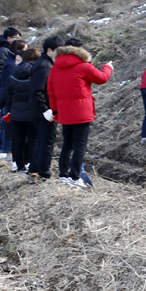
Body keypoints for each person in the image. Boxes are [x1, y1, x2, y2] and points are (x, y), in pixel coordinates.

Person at [46, 37, 113, 188]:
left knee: (67, 144)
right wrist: (108, 67)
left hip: (64, 113)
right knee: (80, 146)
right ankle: (75, 177)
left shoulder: (55, 67)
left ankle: (63, 175)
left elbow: (51, 92)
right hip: (81, 112)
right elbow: (102, 78)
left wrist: (56, 111)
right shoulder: (83, 66)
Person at [0, 47, 38, 175]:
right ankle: (31, 164)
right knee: (32, 140)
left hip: (15, 113)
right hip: (31, 113)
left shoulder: (13, 73)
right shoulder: (36, 72)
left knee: (18, 140)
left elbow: (6, 92)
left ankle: (18, 165)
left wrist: (0, 106)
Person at [28, 36, 63, 182]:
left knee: (43, 139)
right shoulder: (44, 66)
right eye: (58, 51)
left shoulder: (46, 64)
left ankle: (34, 170)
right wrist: (45, 109)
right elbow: (37, 90)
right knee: (47, 140)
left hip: (43, 109)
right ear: (49, 50)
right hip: (43, 110)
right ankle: (44, 172)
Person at [0, 27, 21, 161]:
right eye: (15, 38)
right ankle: (2, 150)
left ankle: (6, 150)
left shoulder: (8, 51)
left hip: (6, 90)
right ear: (8, 38)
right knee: (3, 120)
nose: (17, 40)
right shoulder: (3, 51)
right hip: (3, 91)